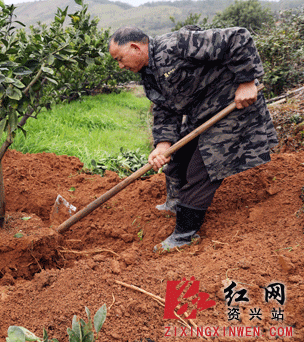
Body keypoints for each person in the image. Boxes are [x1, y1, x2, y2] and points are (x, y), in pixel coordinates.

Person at [108, 26, 278, 252]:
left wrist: (247, 82)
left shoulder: (178, 44)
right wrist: (162, 146)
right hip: (202, 115)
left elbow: (239, 37)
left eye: (119, 59)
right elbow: (164, 109)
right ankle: (175, 203)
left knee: (205, 166)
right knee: (178, 156)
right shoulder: (149, 73)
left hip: (232, 106)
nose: (120, 66)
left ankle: (184, 235)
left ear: (135, 47)